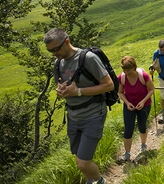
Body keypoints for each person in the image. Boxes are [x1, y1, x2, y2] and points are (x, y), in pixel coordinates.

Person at [44, 28, 113, 184]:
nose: (54, 53)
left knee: (83, 162)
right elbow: (64, 86)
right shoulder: (58, 63)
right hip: (73, 116)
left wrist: (78, 92)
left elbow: (108, 85)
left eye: (56, 49)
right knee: (80, 160)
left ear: (67, 41)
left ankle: (100, 182)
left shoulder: (88, 58)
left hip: (93, 114)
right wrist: (62, 91)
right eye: (50, 51)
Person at [117, 56, 155, 162]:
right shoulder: (122, 78)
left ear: (134, 67)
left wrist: (143, 102)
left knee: (142, 125)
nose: (126, 72)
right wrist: (127, 102)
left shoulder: (144, 76)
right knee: (128, 128)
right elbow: (120, 92)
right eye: (124, 69)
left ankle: (143, 144)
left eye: (128, 69)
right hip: (129, 105)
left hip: (144, 104)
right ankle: (127, 153)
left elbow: (152, 89)